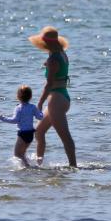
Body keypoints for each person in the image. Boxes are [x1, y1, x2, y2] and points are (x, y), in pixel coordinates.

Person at [30, 26, 78, 167]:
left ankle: (73, 167)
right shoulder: (61, 54)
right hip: (62, 96)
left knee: (65, 137)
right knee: (39, 132)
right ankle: (39, 164)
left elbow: (49, 84)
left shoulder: (53, 60)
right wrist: (48, 64)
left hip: (56, 98)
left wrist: (39, 103)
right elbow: (57, 69)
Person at [0, 85, 45, 166]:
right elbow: (40, 117)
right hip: (30, 134)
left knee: (17, 154)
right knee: (22, 153)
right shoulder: (33, 107)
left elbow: (15, 120)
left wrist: (3, 118)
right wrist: (40, 110)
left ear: (18, 96)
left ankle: (28, 167)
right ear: (30, 96)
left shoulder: (18, 108)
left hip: (23, 134)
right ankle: (33, 161)